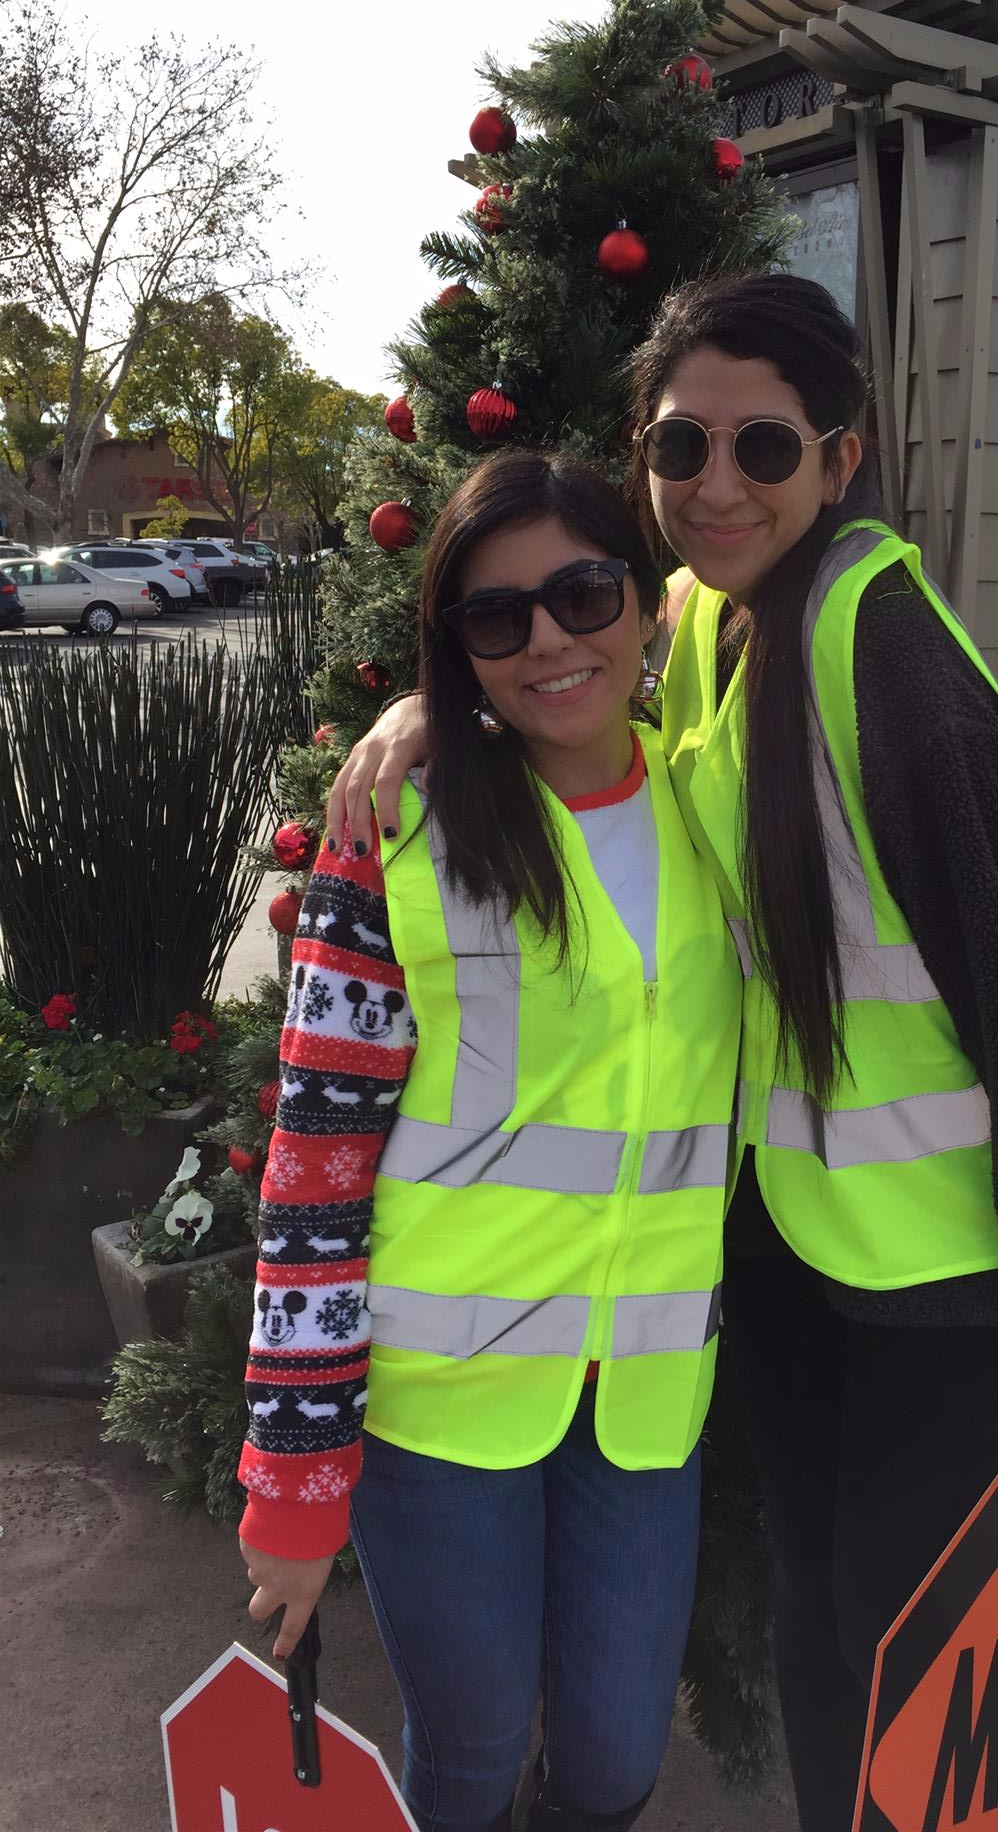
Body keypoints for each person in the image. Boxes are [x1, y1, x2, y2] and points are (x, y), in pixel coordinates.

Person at [329, 275, 998, 1828]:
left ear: (841, 461)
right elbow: (556, 675)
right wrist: (422, 712)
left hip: (946, 1278)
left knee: (896, 1665)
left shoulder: (899, 677)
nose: (716, 486)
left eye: (765, 449)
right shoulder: (719, 619)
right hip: (797, 1259)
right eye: (681, 446)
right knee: (818, 1631)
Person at [236, 450, 742, 1832]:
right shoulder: (398, 830)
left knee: (615, 1763)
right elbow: (314, 1174)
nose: (550, 641)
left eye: (584, 594)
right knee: (462, 1763)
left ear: (644, 600)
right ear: (454, 649)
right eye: (494, 618)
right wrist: (293, 1481)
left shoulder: (721, 804)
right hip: (439, 1406)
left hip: (645, 1401)